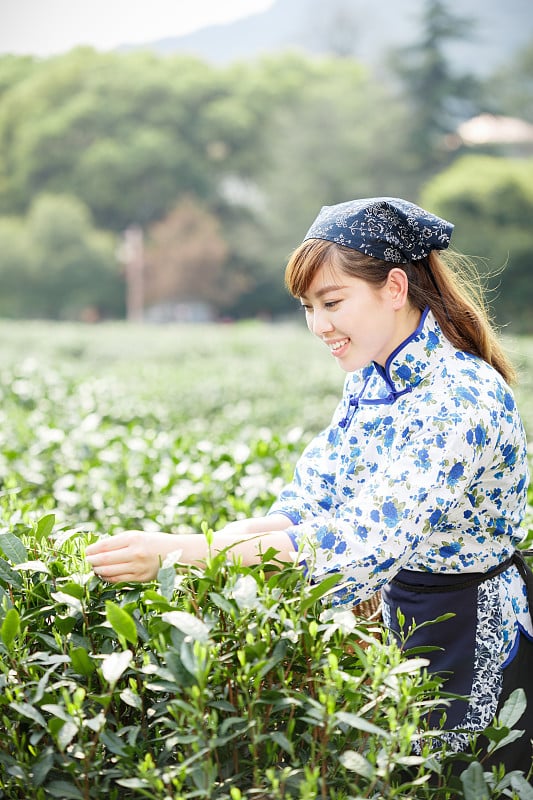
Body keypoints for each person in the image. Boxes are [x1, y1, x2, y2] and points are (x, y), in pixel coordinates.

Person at [86, 197, 533, 776]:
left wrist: (180, 551)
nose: (319, 325)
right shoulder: (372, 378)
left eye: (332, 302)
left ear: (394, 288)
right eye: (308, 307)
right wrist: (216, 542)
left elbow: (358, 546)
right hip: (403, 619)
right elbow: (310, 505)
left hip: (467, 631)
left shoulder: (456, 398)